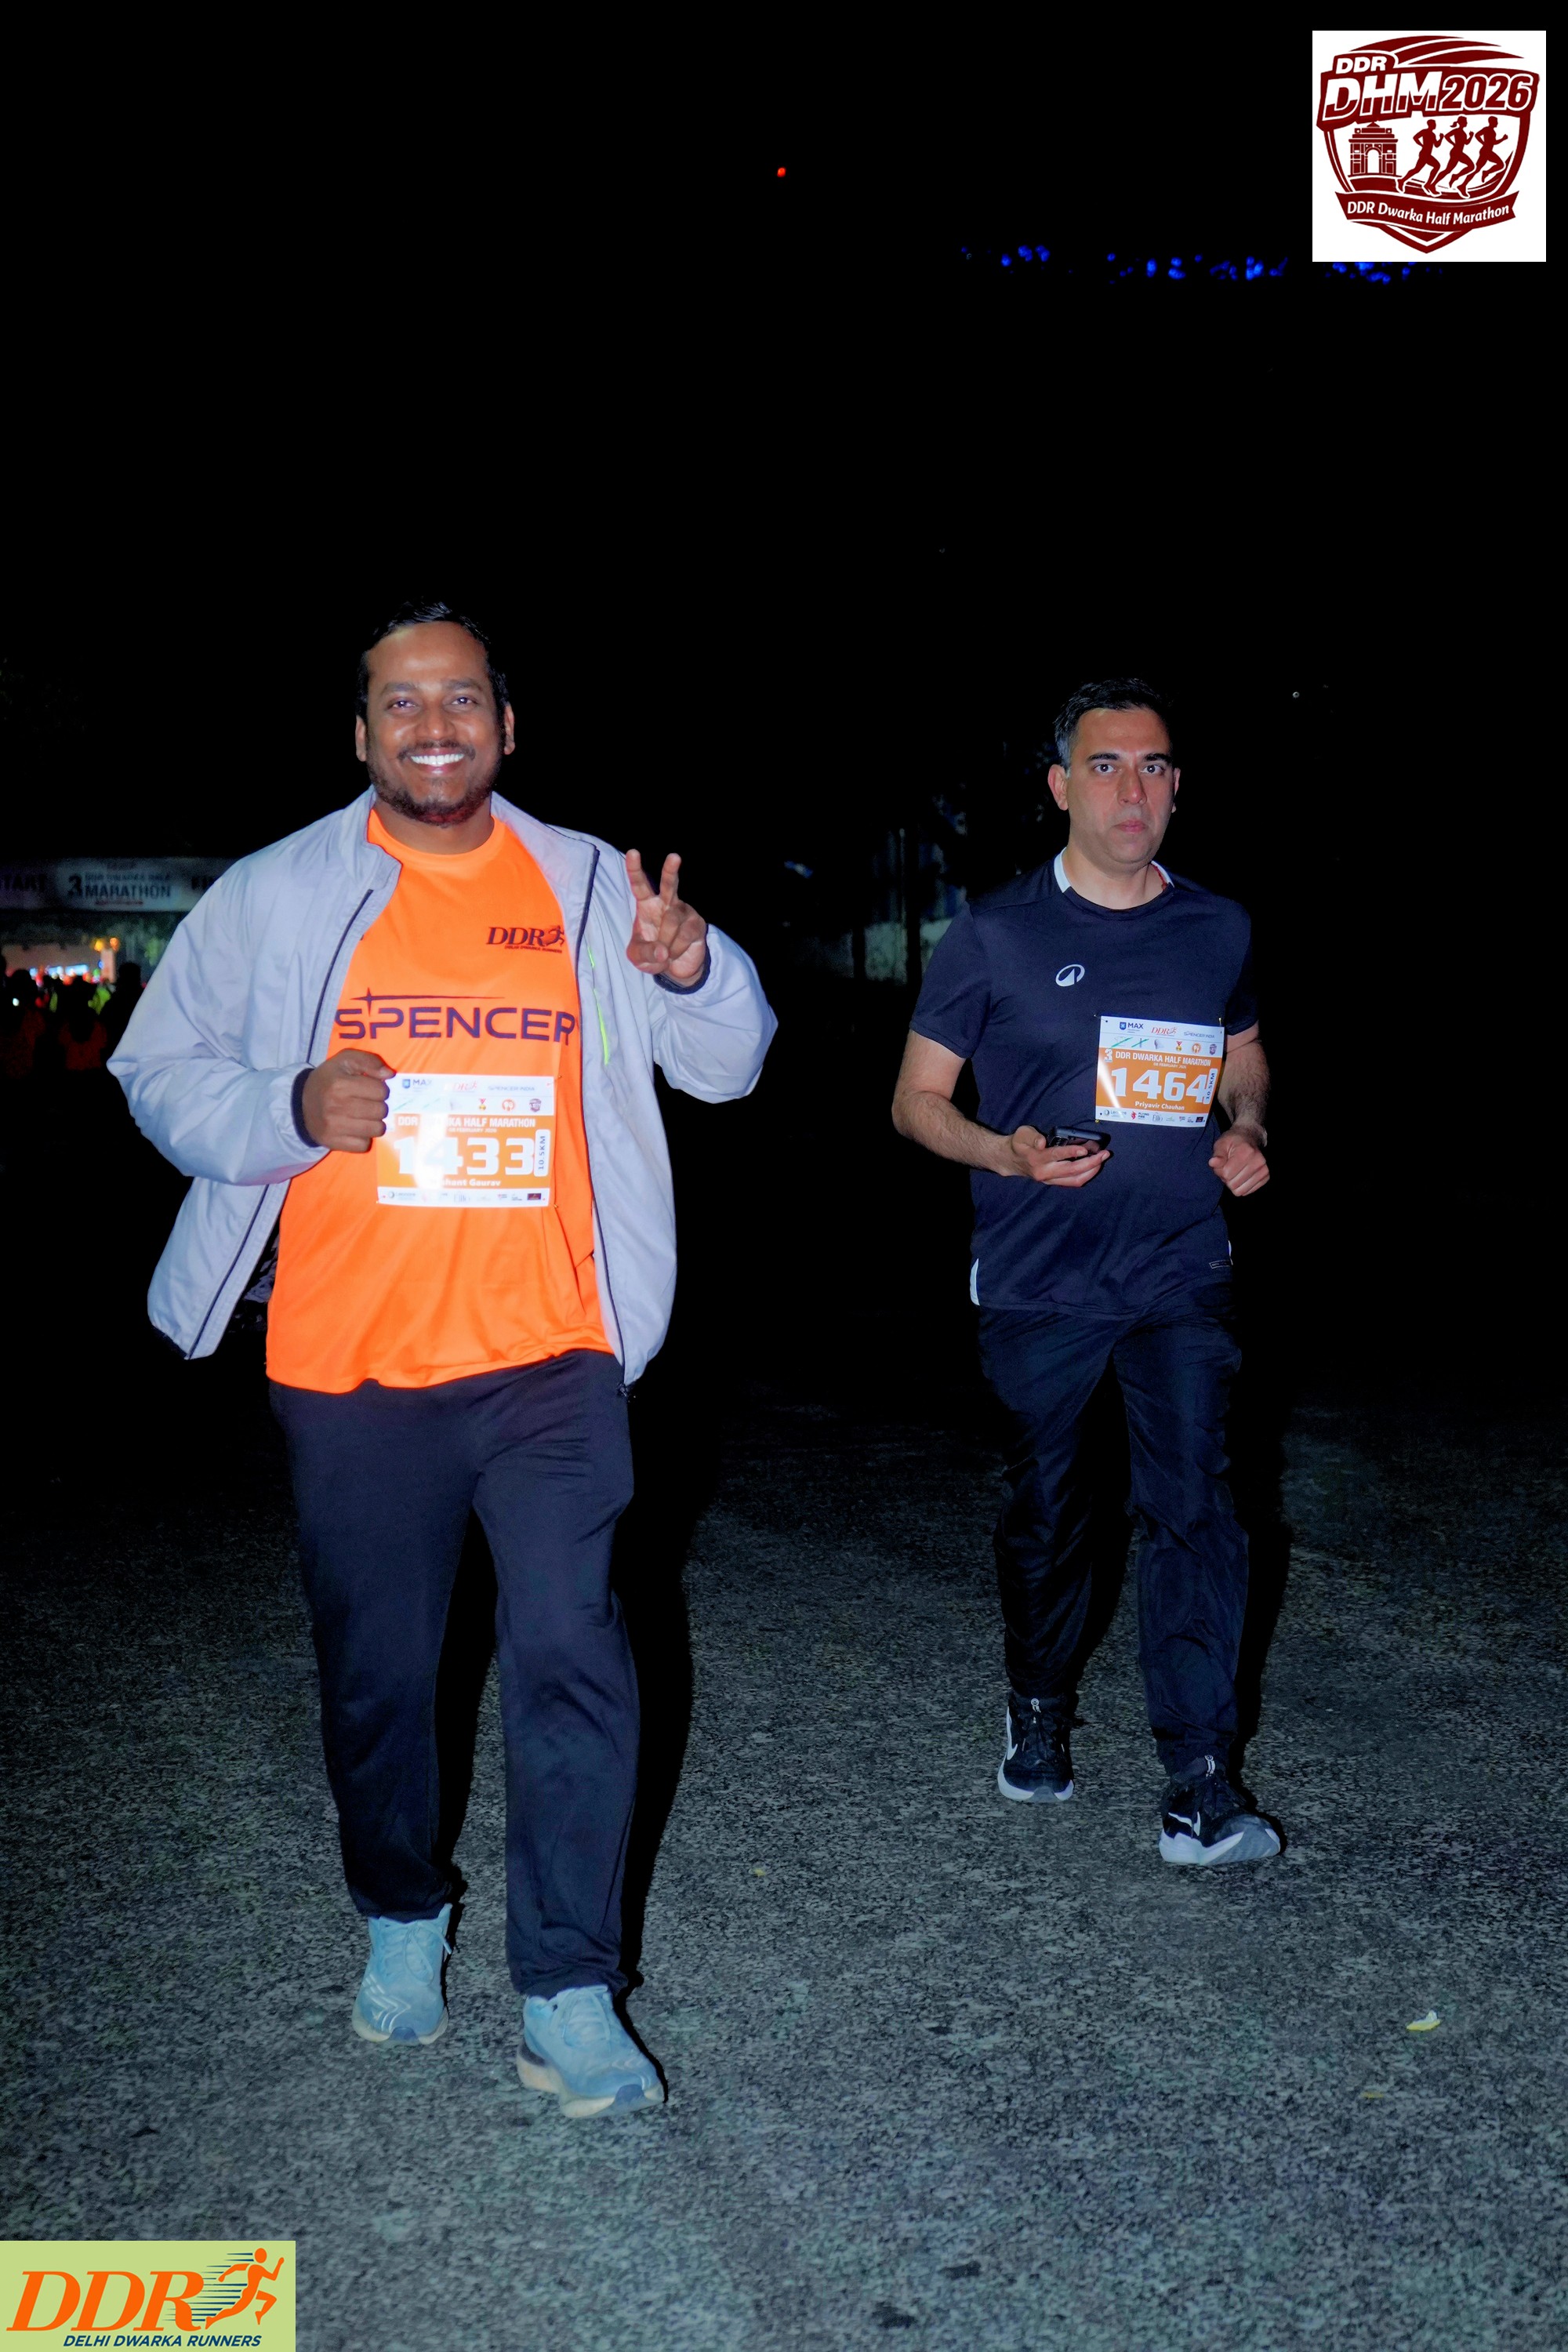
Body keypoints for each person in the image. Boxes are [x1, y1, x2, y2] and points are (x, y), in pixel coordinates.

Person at [112, 601, 777, 2114]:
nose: (435, 726)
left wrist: (691, 971)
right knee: (381, 1677)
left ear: (507, 726)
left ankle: (569, 1987)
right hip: (350, 1364)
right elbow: (157, 1069)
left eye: (463, 699)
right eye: (403, 703)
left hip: (553, 1353)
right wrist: (288, 1106)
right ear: (362, 734)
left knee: (573, 1651)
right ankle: (402, 1913)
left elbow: (728, 1065)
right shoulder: (280, 892)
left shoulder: (590, 883)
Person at [891, 678, 1279, 1867]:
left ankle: (1201, 1781)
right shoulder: (994, 934)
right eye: (1106, 766)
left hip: (1179, 1271)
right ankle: (1038, 1699)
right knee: (1055, 1515)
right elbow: (914, 1102)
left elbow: (1245, 1055)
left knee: (1196, 1504)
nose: (1133, 789)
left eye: (1154, 766)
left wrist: (1247, 1127)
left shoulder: (1218, 927)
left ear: (1178, 787)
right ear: (1062, 786)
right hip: (1040, 1279)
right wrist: (1002, 1152)